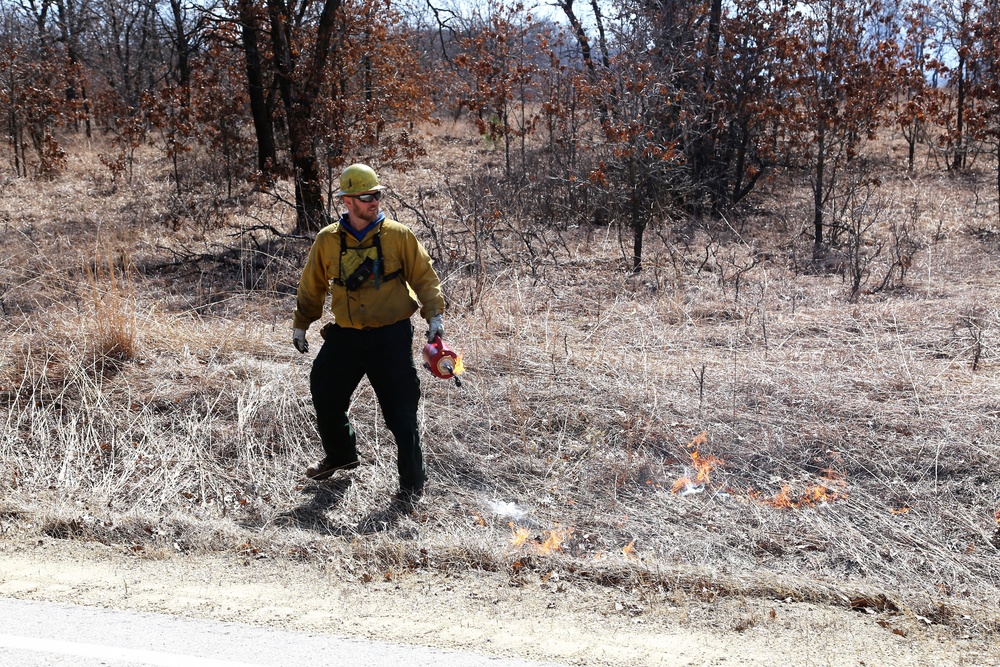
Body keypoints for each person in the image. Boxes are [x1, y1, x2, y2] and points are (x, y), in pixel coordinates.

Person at [291, 163, 445, 502]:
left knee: (401, 410)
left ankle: (412, 484)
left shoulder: (399, 235)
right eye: (366, 196)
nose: (374, 201)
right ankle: (341, 455)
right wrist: (302, 323)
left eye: (377, 194)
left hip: (390, 337)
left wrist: (434, 316)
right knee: (324, 388)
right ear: (348, 201)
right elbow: (312, 285)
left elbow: (425, 277)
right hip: (346, 336)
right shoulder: (328, 240)